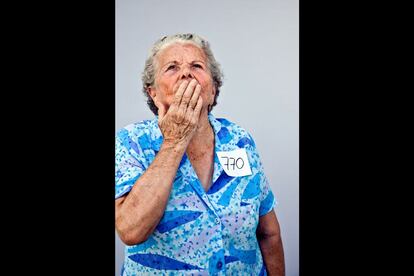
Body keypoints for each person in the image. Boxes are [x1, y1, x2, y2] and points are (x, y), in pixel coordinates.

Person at [115, 33, 285, 275]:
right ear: (153, 93)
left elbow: (269, 233)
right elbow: (131, 230)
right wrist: (175, 139)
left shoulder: (239, 140)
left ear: (213, 90)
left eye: (196, 66)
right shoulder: (131, 142)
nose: (186, 73)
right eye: (172, 67)